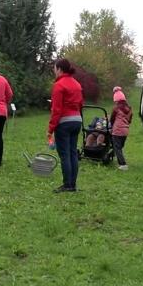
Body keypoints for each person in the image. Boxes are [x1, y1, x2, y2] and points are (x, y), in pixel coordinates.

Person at [48, 58, 84, 193]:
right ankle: (73, 184)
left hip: (64, 122)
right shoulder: (77, 84)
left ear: (59, 69)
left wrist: (50, 129)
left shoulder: (59, 85)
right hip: (77, 120)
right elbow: (81, 104)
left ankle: (67, 185)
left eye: (54, 68)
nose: (54, 71)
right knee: (73, 153)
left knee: (65, 155)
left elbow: (56, 110)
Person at [110, 86, 133, 171]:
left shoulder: (116, 108)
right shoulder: (129, 109)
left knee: (117, 148)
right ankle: (119, 158)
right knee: (120, 146)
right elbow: (130, 120)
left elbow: (112, 119)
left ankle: (123, 164)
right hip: (125, 131)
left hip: (117, 130)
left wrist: (111, 126)